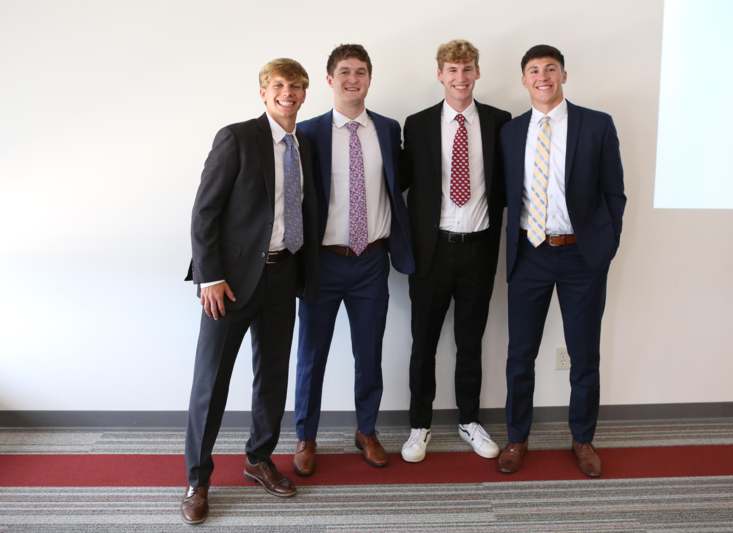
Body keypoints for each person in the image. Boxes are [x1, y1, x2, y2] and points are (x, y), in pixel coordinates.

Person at [181, 58, 319, 524]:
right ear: (263, 92)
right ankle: (197, 479)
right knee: (211, 382)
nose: (289, 93)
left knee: (273, 376)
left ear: (305, 93)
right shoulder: (236, 137)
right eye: (279, 85)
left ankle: (259, 458)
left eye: (297, 86)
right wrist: (210, 276)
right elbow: (204, 212)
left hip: (283, 277)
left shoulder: (305, 146)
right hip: (231, 284)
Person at [497, 45, 625, 477]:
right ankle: (517, 438)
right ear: (524, 80)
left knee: (584, 353)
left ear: (564, 75)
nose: (542, 76)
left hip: (581, 257)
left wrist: (604, 247)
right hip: (529, 255)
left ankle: (583, 438)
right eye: (533, 70)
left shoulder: (596, 124)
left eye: (550, 69)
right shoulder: (511, 132)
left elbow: (615, 193)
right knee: (520, 355)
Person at [292, 44, 414, 476]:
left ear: (369, 78)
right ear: (329, 80)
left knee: (370, 352)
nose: (352, 79)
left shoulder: (387, 128)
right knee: (312, 354)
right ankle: (306, 437)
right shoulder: (307, 133)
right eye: (344, 72)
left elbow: (399, 188)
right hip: (322, 263)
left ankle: (367, 430)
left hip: (371, 262)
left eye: (360, 72)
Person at [399, 40, 510, 463]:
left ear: (477, 72)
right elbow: (404, 183)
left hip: (479, 249)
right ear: (439, 74)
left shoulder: (500, 121)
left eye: (467, 69)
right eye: (452, 70)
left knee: (470, 341)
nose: (460, 78)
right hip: (432, 251)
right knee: (422, 343)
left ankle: (469, 419)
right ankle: (419, 425)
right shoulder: (419, 124)